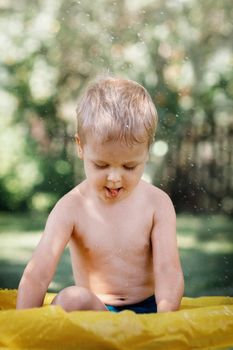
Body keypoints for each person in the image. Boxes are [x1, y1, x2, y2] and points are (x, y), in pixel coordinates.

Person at [16, 76, 184, 314]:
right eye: (101, 165)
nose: (114, 178)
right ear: (80, 147)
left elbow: (169, 270)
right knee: (71, 299)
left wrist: (164, 321)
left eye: (129, 167)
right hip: (97, 312)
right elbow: (37, 274)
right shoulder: (71, 207)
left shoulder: (157, 203)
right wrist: (24, 328)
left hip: (148, 313)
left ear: (147, 152)